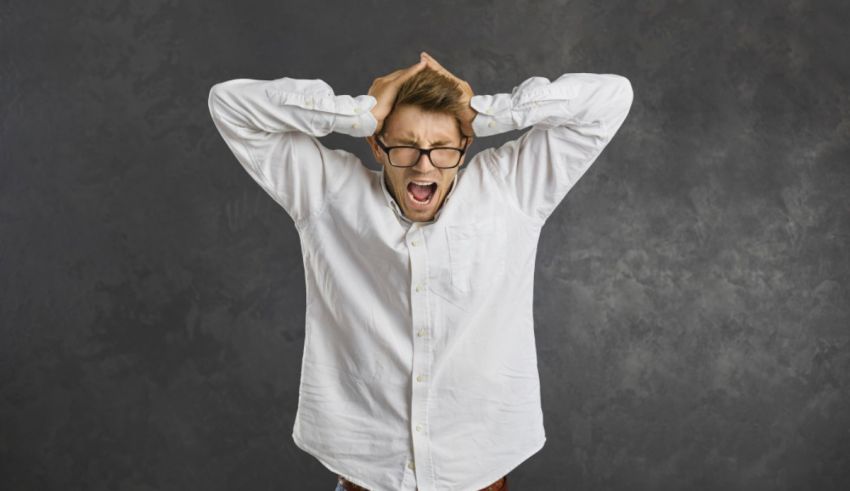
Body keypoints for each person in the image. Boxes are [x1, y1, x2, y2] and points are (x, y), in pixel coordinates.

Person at [208, 51, 633, 491]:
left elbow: (612, 97)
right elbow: (229, 104)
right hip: (366, 478)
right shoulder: (326, 192)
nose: (424, 163)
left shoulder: (511, 190)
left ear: (464, 144)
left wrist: (484, 113)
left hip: (479, 477)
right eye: (406, 144)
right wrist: (358, 112)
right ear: (376, 143)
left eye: (442, 147)